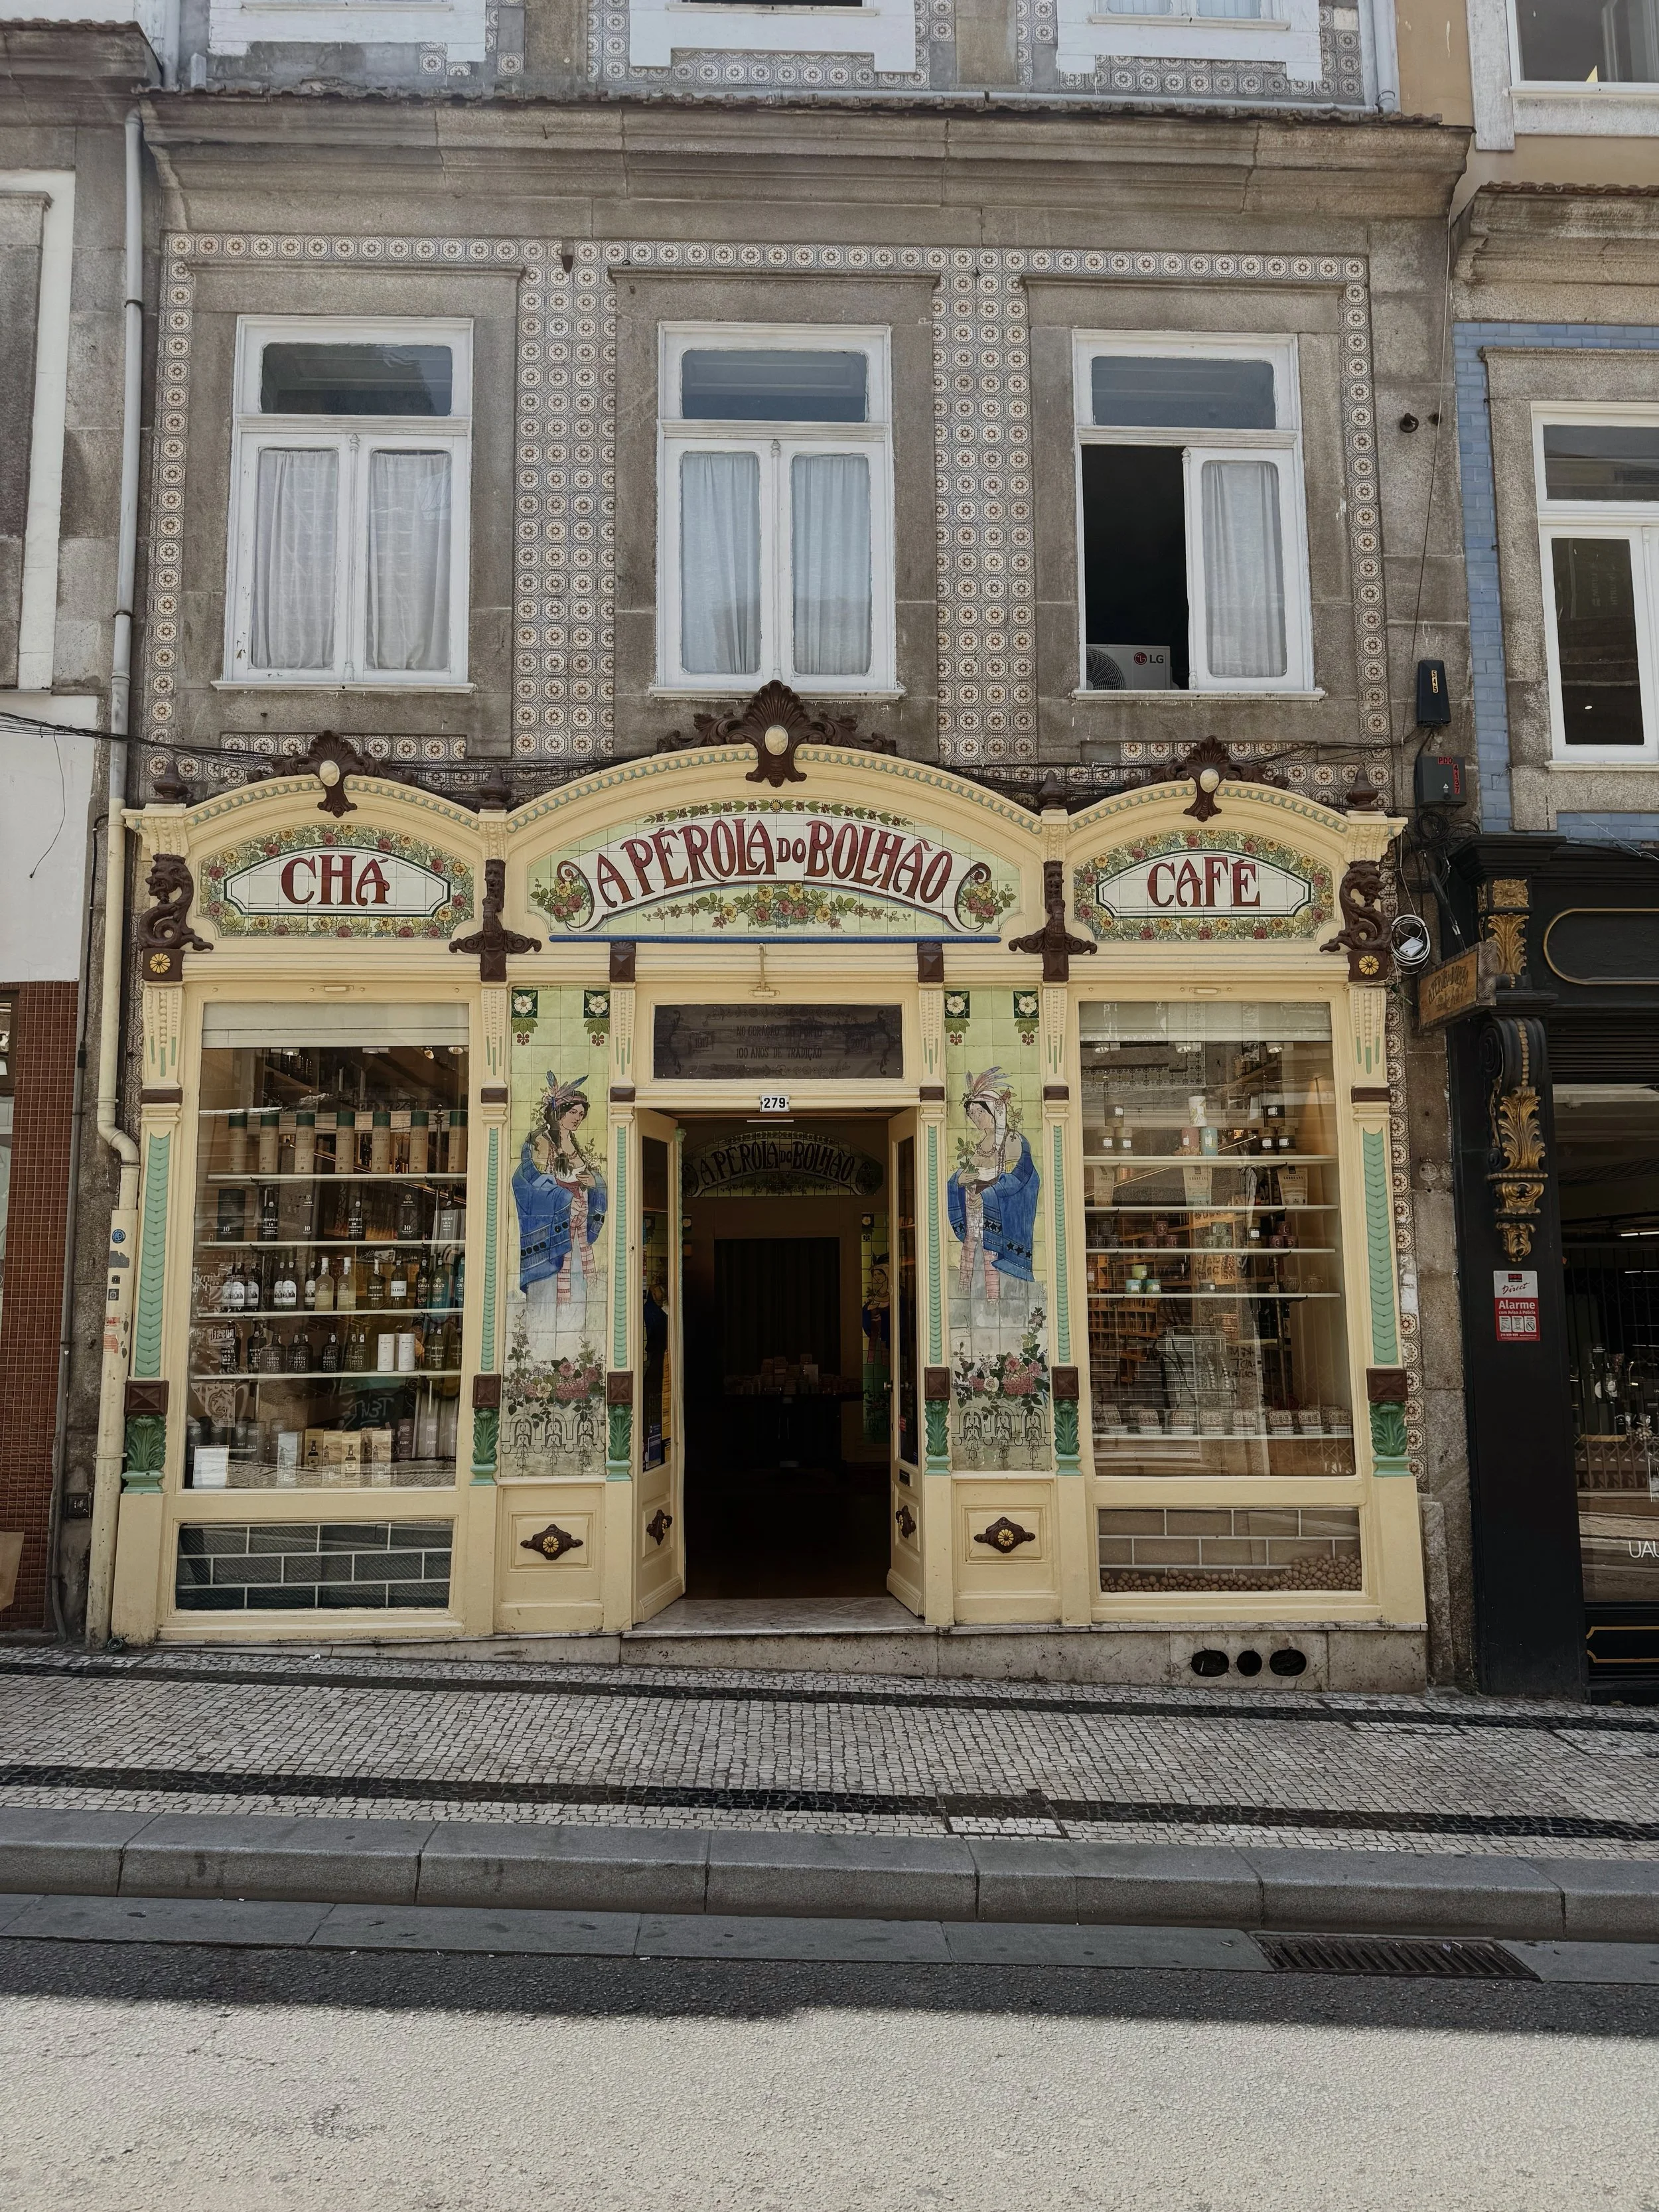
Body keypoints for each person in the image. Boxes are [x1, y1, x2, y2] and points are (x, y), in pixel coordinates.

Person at [512, 1072, 607, 1356]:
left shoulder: (575, 1145)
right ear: (559, 1112)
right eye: (573, 1112)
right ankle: (543, 1352)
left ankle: (573, 1349)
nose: (577, 1118)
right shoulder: (541, 1141)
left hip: (576, 1231)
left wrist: (596, 1183)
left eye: (581, 1113)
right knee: (549, 1291)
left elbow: (590, 1178)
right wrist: (566, 1193)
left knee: (577, 1287)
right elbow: (529, 1180)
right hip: (555, 1229)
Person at [948, 1065, 1039, 1301]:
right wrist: (958, 1179)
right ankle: (964, 1300)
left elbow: (1019, 1177)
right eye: (972, 1114)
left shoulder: (1010, 1140)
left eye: (980, 1112)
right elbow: (966, 1173)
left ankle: (994, 1302)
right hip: (973, 1209)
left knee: (991, 1255)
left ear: (995, 1111)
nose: (975, 1118)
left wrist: (987, 1194)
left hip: (994, 1210)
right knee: (969, 1253)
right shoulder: (979, 1144)